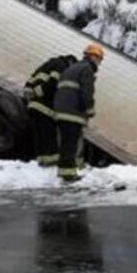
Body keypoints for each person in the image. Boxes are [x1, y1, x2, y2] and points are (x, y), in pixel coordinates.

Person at [52, 43, 104, 182]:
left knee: (65, 143)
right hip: (73, 112)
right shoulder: (86, 69)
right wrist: (89, 109)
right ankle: (69, 175)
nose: (99, 63)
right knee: (71, 143)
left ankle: (64, 170)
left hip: (61, 110)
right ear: (93, 57)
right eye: (99, 59)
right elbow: (86, 91)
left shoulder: (71, 69)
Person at [23, 54, 77, 166]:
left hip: (33, 106)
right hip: (45, 108)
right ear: (71, 62)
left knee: (39, 136)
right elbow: (53, 84)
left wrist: (30, 91)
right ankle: (51, 164)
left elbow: (30, 81)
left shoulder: (48, 64)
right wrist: (37, 92)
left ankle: (42, 162)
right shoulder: (62, 66)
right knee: (48, 136)